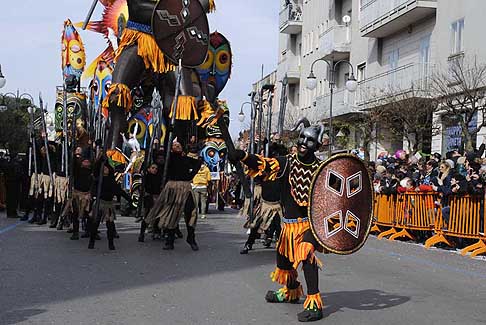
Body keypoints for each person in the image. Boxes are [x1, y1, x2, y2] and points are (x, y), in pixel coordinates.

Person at [230, 118, 325, 322]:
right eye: (301, 138)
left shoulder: (322, 169)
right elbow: (263, 163)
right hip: (289, 225)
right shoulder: (286, 162)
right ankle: (291, 291)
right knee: (283, 260)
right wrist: (244, 156)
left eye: (308, 141)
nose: (302, 143)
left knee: (306, 255)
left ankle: (315, 304)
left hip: (310, 223)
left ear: (317, 145)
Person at [145, 141, 201, 250]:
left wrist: (191, 175)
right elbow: (158, 153)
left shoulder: (186, 159)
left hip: (185, 187)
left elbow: (198, 164)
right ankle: (169, 241)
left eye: (179, 145)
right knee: (172, 213)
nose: (177, 146)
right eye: (175, 145)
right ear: (171, 148)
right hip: (173, 187)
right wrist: (162, 141)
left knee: (191, 211)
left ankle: (191, 237)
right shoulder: (168, 158)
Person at [137, 163, 163, 242]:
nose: (154, 170)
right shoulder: (146, 177)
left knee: (157, 216)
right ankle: (142, 233)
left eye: (156, 168)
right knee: (148, 216)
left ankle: (156, 232)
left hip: (157, 197)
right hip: (149, 198)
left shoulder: (159, 177)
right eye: (153, 168)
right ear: (149, 169)